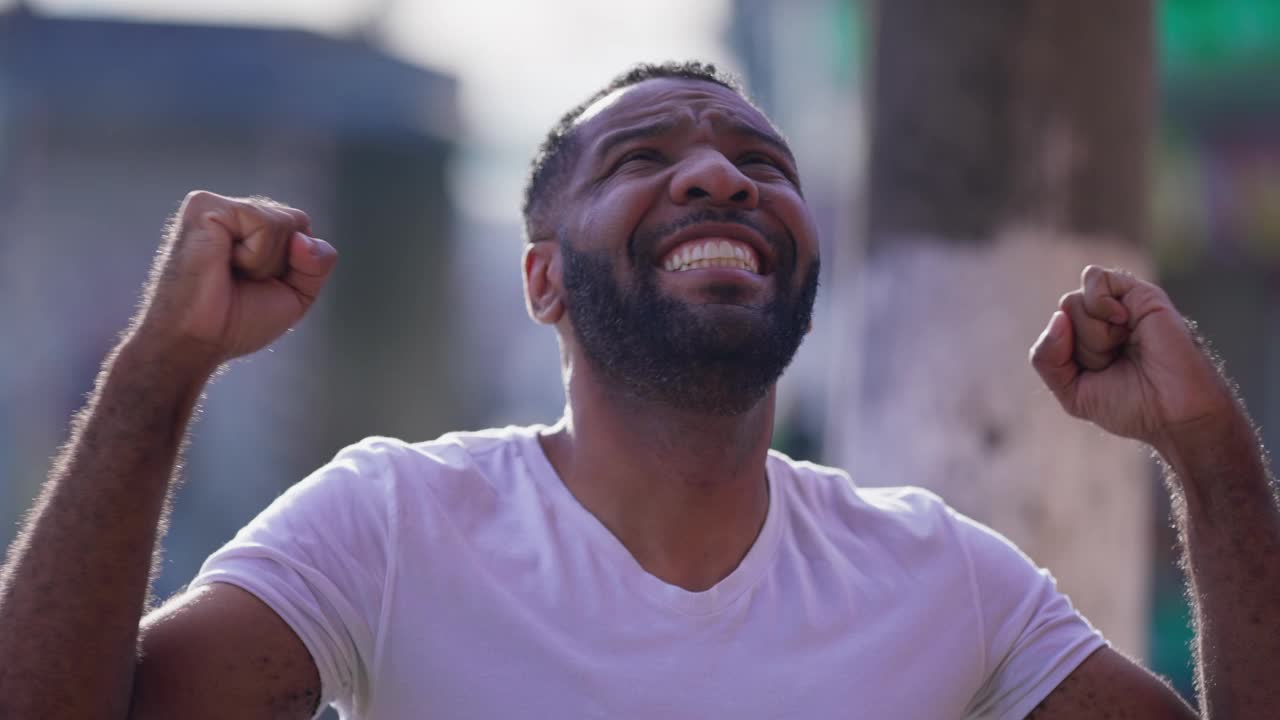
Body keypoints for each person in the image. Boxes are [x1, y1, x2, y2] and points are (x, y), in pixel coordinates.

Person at [0, 61, 1276, 720]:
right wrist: (155, 378)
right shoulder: (390, 528)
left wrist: (1209, 457)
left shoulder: (941, 576)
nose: (719, 179)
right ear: (544, 281)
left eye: (756, 161)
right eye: (644, 156)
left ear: (804, 260)